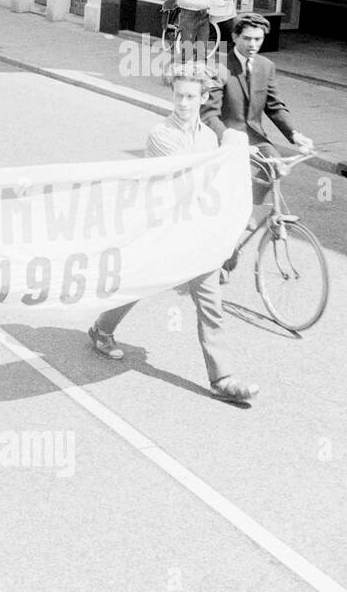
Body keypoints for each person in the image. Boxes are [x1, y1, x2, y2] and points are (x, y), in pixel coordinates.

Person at [87, 63, 260, 403]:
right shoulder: (161, 134)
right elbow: (189, 178)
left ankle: (222, 377)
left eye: (190, 96)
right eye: (178, 95)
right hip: (163, 229)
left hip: (195, 234)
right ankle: (102, 329)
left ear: (203, 98)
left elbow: (213, 180)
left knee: (211, 304)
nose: (182, 102)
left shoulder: (209, 136)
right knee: (138, 284)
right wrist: (231, 153)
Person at [201, 13, 314, 279]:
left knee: (276, 166)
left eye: (258, 39)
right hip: (227, 139)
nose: (253, 44)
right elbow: (208, 115)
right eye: (248, 38)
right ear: (235, 37)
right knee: (232, 201)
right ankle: (224, 248)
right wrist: (230, 138)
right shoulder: (219, 67)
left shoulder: (265, 66)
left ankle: (246, 212)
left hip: (256, 138)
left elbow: (274, 106)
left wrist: (295, 135)